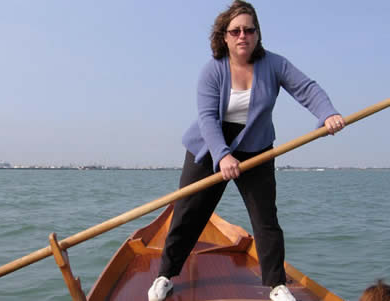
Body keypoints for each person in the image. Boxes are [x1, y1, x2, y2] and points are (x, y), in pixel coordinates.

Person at [147, 1, 345, 301]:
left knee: (266, 218)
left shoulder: (275, 64)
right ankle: (165, 275)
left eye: (249, 30)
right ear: (224, 36)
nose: (243, 36)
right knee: (187, 213)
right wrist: (223, 155)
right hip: (208, 147)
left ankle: (277, 285)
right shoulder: (211, 71)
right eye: (236, 30)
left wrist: (327, 113)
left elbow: (307, 89)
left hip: (256, 148)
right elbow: (207, 119)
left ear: (257, 35)